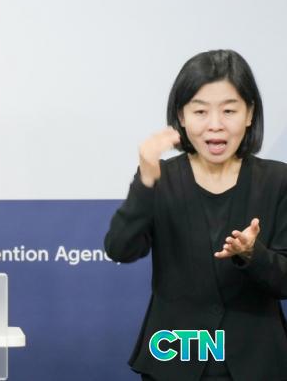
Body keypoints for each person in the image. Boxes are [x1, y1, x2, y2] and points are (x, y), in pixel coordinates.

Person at [104, 50, 287, 381]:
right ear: (182, 116)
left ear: (249, 114)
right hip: (175, 358)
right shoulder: (161, 178)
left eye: (229, 110)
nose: (215, 124)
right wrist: (146, 179)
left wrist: (253, 254)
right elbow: (120, 248)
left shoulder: (278, 181)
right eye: (200, 111)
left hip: (257, 363)